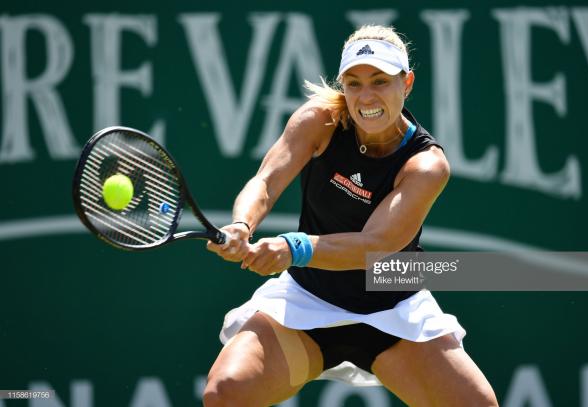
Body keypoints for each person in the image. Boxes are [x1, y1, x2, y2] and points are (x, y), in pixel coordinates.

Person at [204, 25, 498, 407]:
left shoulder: (426, 165)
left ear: (406, 84)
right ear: (342, 85)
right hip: (307, 300)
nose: (366, 96)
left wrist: (293, 248)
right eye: (354, 83)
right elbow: (265, 182)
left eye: (380, 81)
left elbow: (376, 245)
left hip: (393, 312)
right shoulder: (319, 121)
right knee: (226, 393)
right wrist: (243, 224)